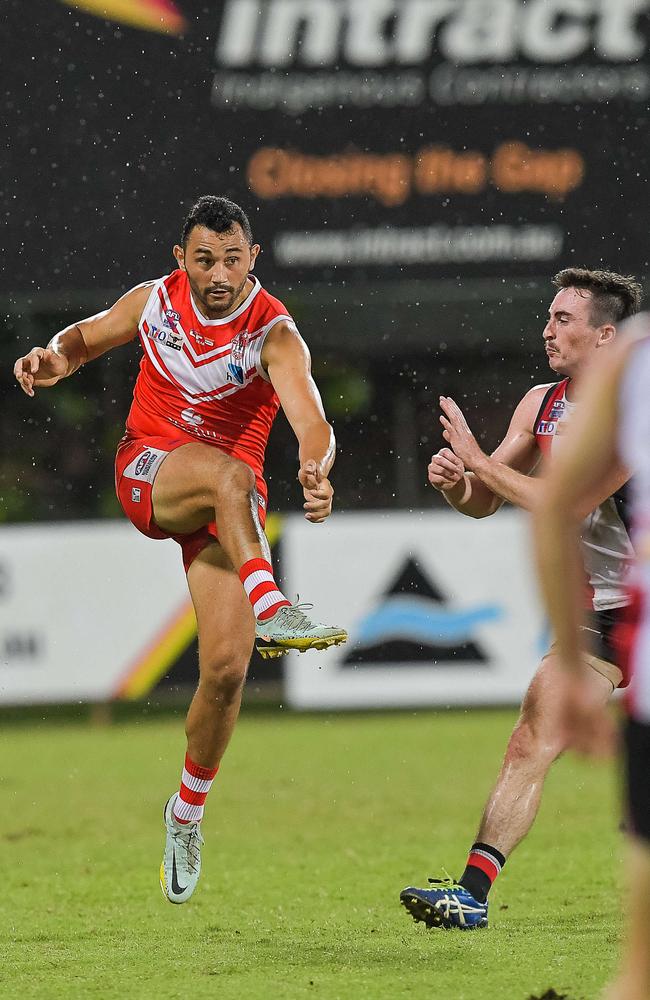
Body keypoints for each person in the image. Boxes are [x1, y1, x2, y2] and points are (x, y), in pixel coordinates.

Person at [13, 195, 347, 905]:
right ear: (181, 260)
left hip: (229, 512)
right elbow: (86, 337)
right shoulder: (154, 301)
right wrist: (53, 360)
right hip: (151, 470)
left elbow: (311, 420)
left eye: (232, 259)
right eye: (204, 260)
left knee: (225, 671)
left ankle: (186, 814)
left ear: (252, 258)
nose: (218, 273)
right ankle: (276, 606)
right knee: (228, 474)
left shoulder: (274, 334)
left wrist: (317, 467)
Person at [400, 268, 642, 930]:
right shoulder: (543, 403)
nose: (547, 329)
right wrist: (458, 481)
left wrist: (480, 464)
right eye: (548, 317)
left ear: (605, 335)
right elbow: (486, 499)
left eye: (564, 318)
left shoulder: (633, 409)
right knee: (532, 735)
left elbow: (565, 504)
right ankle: (472, 896)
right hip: (604, 614)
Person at [534, 312, 650, 1000]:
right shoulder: (633, 359)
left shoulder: (635, 357)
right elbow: (555, 508)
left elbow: (553, 507)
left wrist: (576, 678)